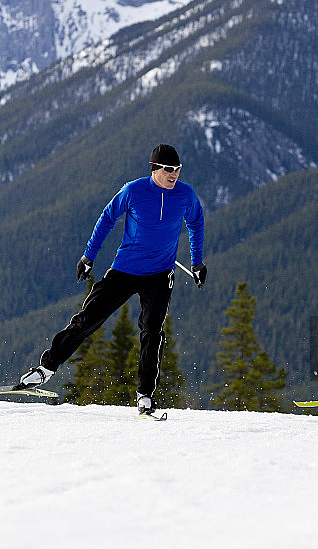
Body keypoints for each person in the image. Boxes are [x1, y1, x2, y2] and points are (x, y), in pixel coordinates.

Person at [19, 144, 207, 416]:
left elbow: (196, 223)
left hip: (159, 275)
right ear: (154, 169)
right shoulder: (133, 191)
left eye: (177, 169)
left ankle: (145, 395)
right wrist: (88, 257)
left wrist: (197, 262)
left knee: (152, 331)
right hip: (125, 271)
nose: (174, 174)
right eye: (168, 169)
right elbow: (107, 219)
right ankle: (46, 368)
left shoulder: (186, 195)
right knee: (87, 319)